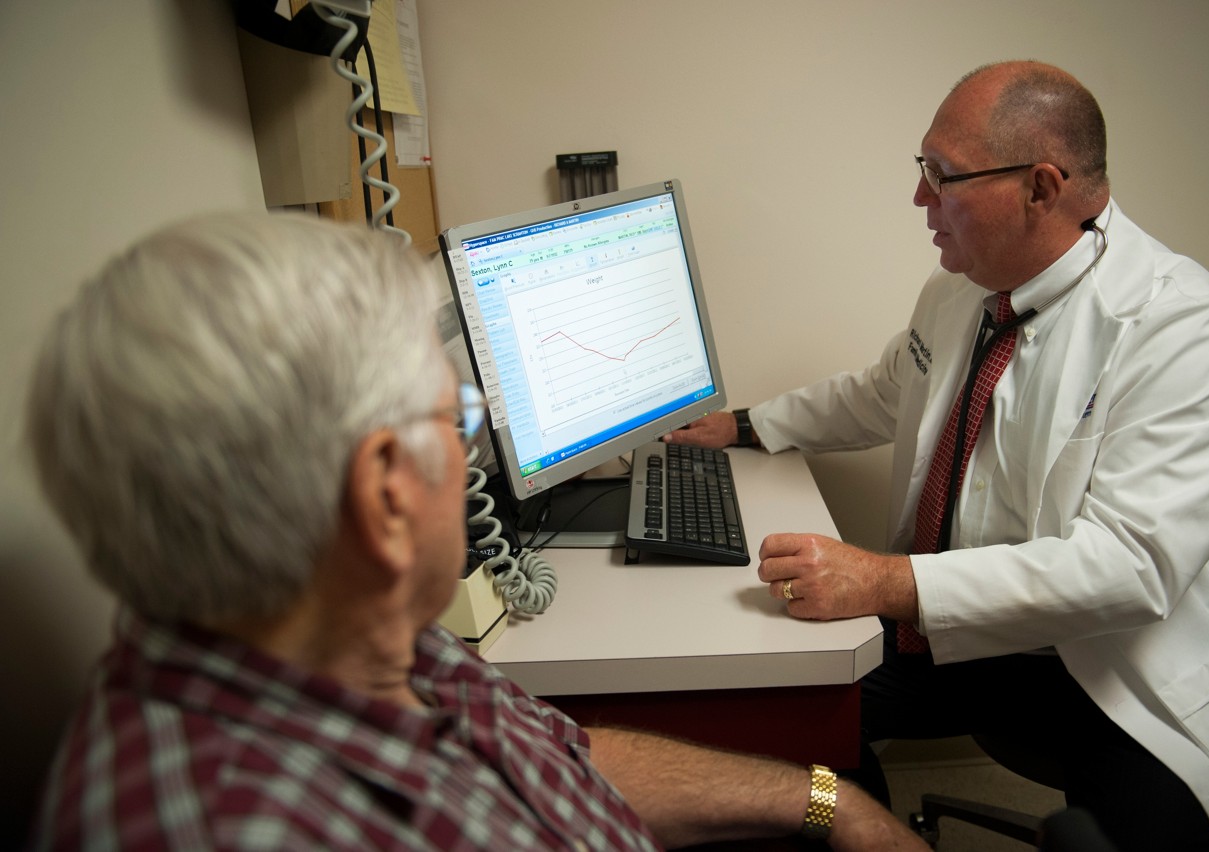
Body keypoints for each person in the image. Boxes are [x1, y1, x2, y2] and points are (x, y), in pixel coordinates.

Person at [23, 212, 925, 850]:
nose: (471, 453)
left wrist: (824, 800)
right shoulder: (240, 826)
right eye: (455, 415)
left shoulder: (367, 640)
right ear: (383, 497)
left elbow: (553, 758)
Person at [667, 60, 1209, 852]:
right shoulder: (967, 283)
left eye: (943, 175)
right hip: (962, 636)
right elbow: (888, 389)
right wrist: (748, 425)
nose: (920, 197)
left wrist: (884, 580)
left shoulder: (1188, 331)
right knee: (776, 725)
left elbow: (1131, 567)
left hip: (1127, 675)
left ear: (1041, 188)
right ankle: (867, 826)